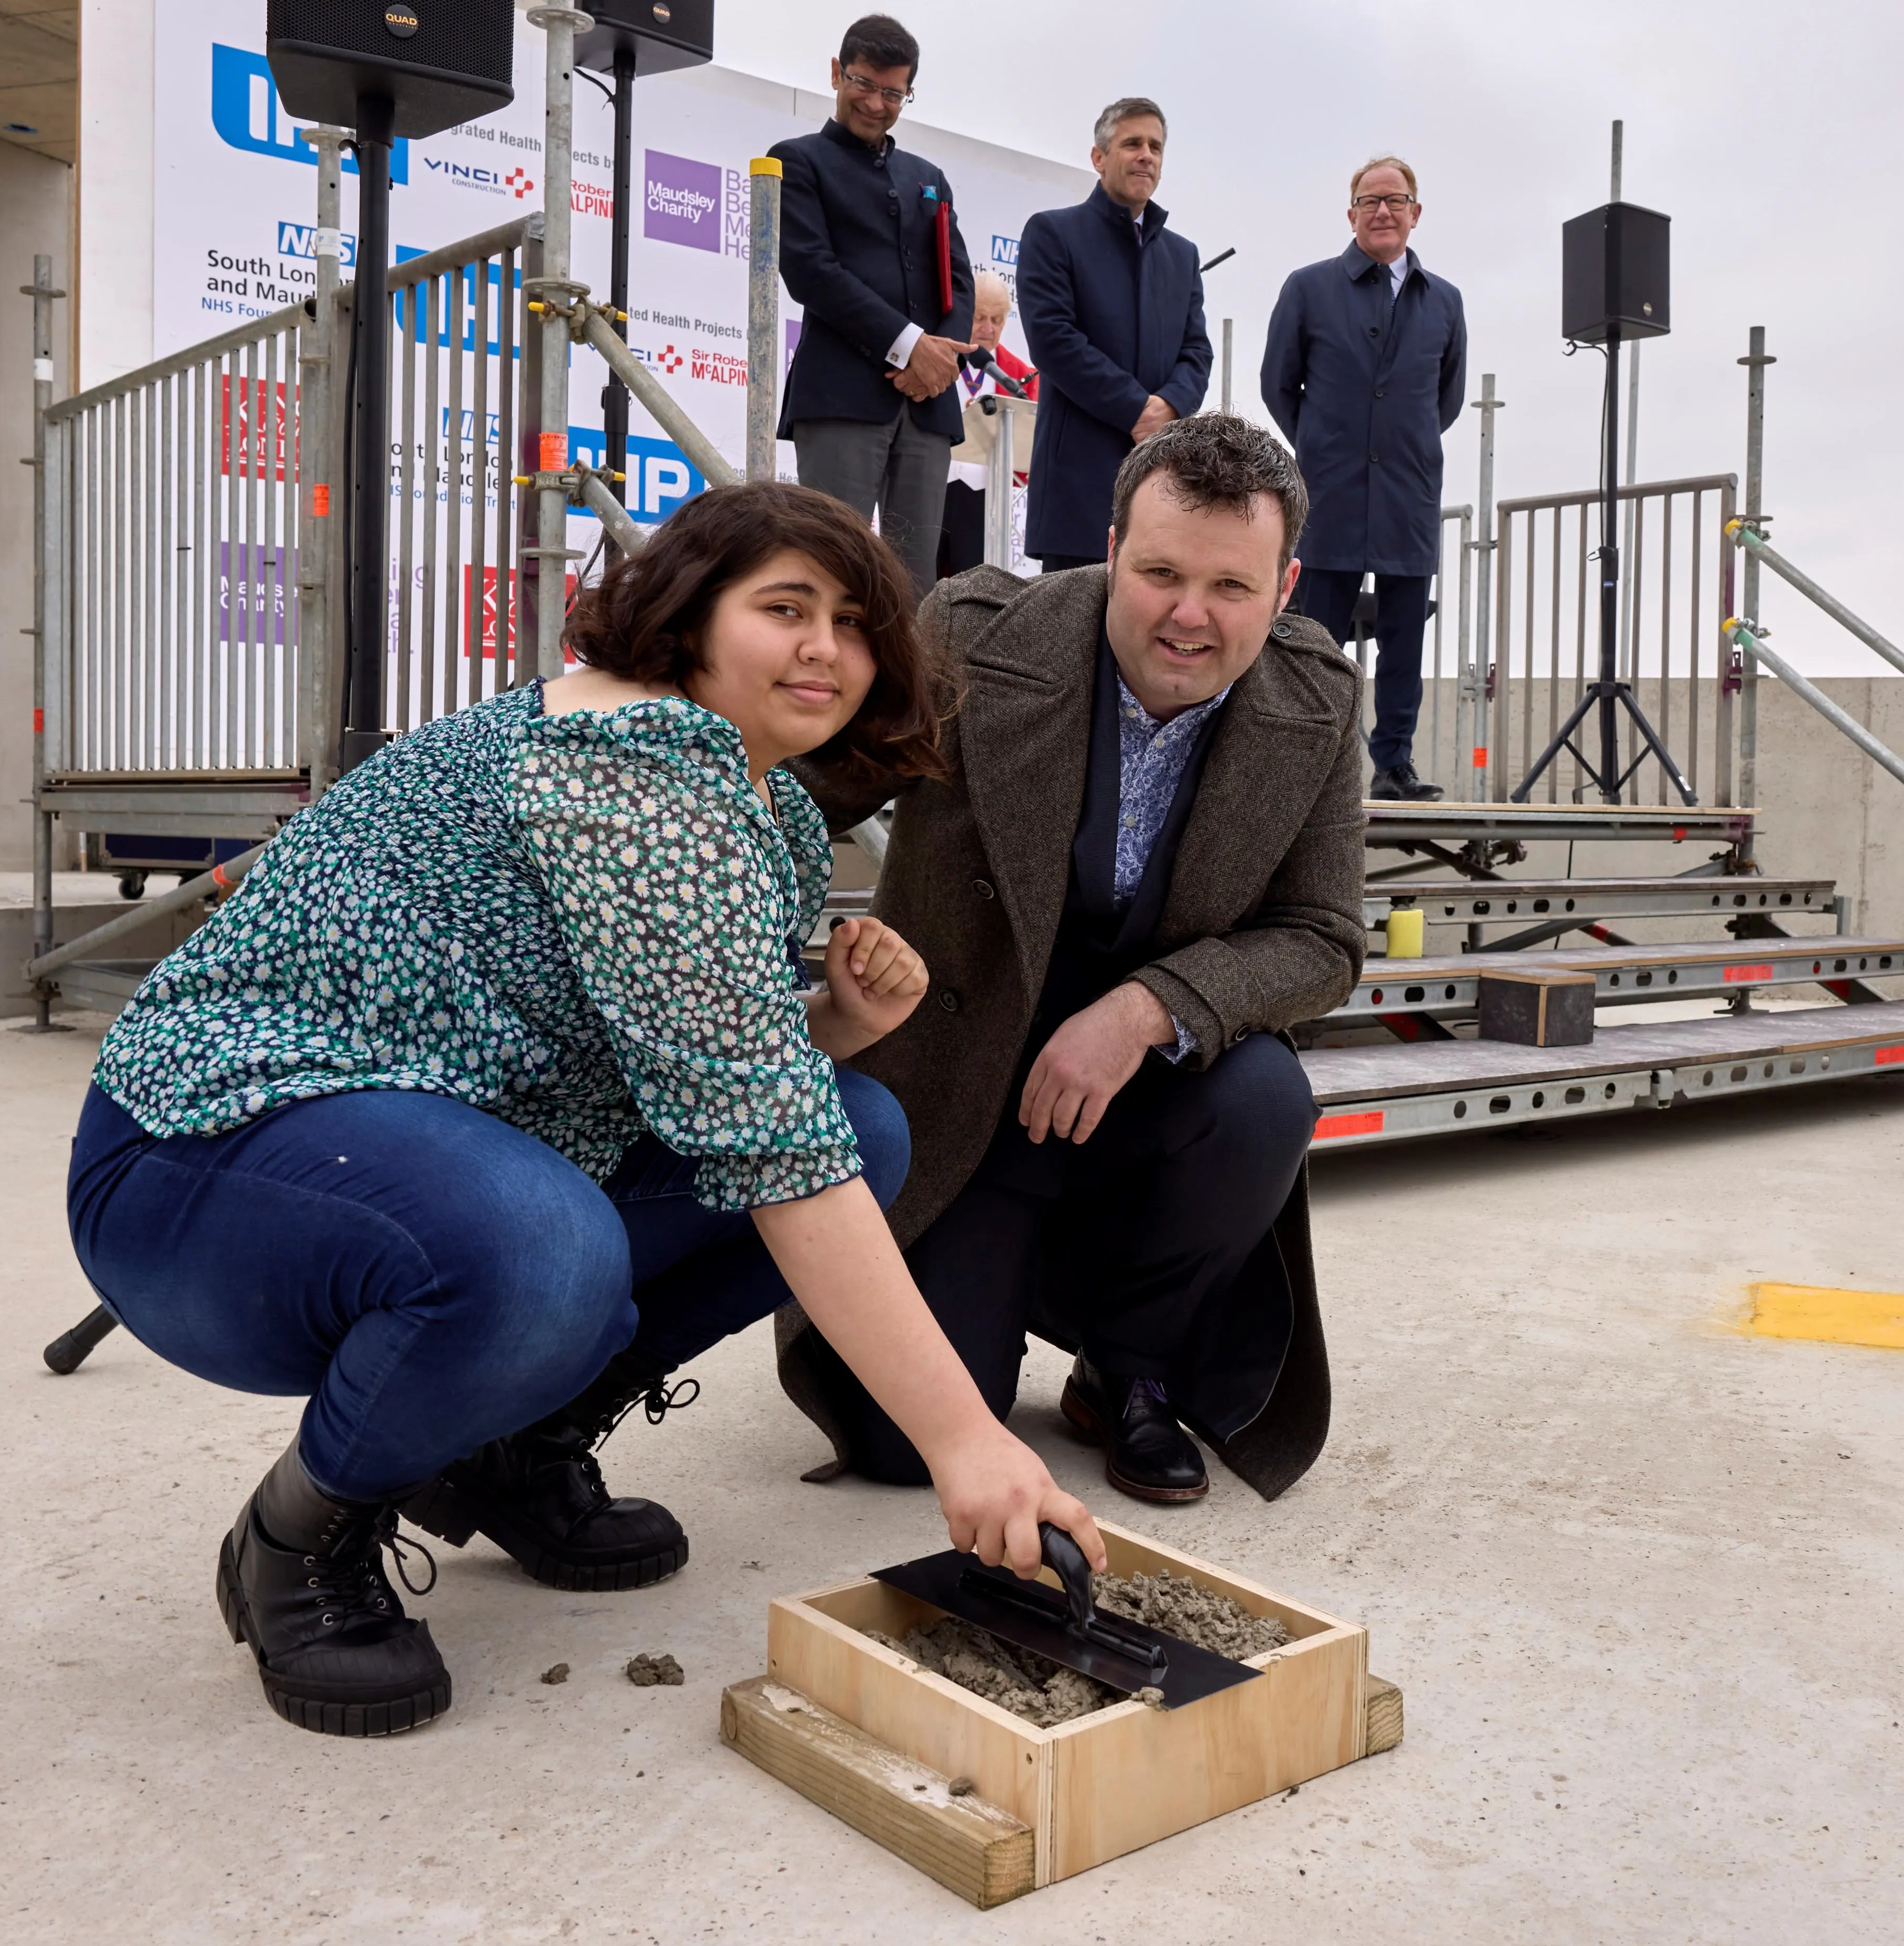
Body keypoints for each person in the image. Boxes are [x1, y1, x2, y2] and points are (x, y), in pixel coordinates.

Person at [66, 482, 1103, 1737]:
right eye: (784, 607)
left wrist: (833, 1030)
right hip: (202, 1162)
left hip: (432, 1145)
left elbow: (730, 1090)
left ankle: (505, 1445)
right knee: (542, 1245)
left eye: (851, 619)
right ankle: (296, 1534)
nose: (826, 645)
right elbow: (772, 1151)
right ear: (689, 619)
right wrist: (967, 1440)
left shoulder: (758, 798)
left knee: (862, 1124)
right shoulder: (632, 771)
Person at [781, 416, 1363, 1505]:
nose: (1190, 616)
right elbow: (804, 791)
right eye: (1158, 573)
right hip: (965, 1101)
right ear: (1109, 549)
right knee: (906, 1451)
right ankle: (996, 1294)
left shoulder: (1319, 696)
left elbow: (1325, 938)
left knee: (1266, 1097)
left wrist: (1149, 1009)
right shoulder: (973, 631)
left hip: (1147, 1106)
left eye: (1231, 588)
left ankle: (1131, 1365)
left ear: (1283, 588)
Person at [1261, 156, 1469, 802]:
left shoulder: (1446, 301)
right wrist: (1324, 445)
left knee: (1405, 637)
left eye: (1396, 200)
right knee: (1315, 630)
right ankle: (1311, 758)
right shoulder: (1309, 287)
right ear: (1350, 214)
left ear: (1416, 214)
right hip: (1330, 489)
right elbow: (1278, 384)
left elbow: (1448, 398)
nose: (1383, 211)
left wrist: (1399, 443)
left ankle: (1394, 763)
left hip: (1409, 492)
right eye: (1369, 201)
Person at [770, 15, 975, 594]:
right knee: (832, 572)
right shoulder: (798, 160)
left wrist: (941, 360)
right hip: (840, 397)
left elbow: (957, 281)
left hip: (929, 407)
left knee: (916, 588)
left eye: (893, 92)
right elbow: (812, 272)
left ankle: (908, 689)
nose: (877, 104)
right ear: (837, 73)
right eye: (863, 83)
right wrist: (912, 346)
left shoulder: (927, 177)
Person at [1015, 97, 1214, 574]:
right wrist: (1135, 409)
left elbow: (1196, 351)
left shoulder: (1181, 255)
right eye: (1132, 143)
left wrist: (1168, 407)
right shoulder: (1053, 233)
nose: (1146, 155)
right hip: (1079, 484)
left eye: (1155, 147)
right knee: (1069, 642)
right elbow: (1053, 339)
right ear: (1099, 157)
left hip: (1161, 486)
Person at [936, 271, 1038, 581]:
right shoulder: (935, 357)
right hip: (932, 485)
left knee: (972, 591)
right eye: (980, 317)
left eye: (997, 320)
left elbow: (1029, 444)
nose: (987, 329)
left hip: (985, 498)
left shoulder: (1021, 375)